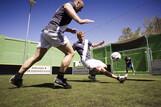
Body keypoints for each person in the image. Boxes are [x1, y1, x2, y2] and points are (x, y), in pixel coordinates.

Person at [10, 0, 94, 89]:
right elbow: (68, 9)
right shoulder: (68, 4)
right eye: (80, 8)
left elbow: (58, 23)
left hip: (46, 32)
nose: (80, 11)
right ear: (77, 2)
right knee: (70, 53)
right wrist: (81, 20)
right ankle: (60, 79)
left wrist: (70, 30)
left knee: (36, 57)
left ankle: (17, 77)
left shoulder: (64, 10)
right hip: (54, 32)